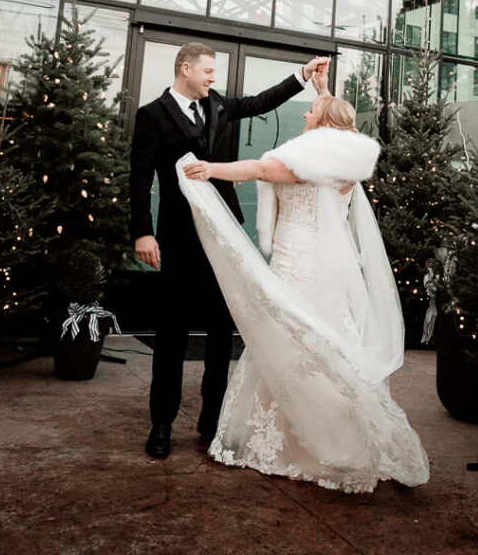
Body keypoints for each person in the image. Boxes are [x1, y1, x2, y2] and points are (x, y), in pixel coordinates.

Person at [179, 79, 429, 494]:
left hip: (298, 260)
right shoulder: (347, 161)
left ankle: (304, 444)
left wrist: (212, 169)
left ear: (324, 120)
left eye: (312, 111)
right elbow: (323, 134)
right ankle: (329, 429)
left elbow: (261, 169)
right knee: (323, 340)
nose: (305, 114)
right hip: (329, 266)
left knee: (289, 341)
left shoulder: (306, 160)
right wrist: (324, 90)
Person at [129, 40, 329, 459]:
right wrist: (143, 233)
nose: (212, 78)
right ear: (185, 69)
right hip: (179, 238)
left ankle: (212, 420)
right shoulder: (151, 116)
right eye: (207, 72)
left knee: (222, 332)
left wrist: (302, 75)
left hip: (225, 237)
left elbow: (260, 102)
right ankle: (161, 423)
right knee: (172, 333)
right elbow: (139, 177)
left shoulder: (218, 106)